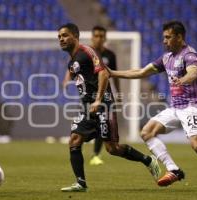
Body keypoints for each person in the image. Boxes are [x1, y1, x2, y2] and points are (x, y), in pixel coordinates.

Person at [108, 20, 197, 192]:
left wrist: (183, 80)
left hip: (192, 107)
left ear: (179, 37)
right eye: (164, 37)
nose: (164, 41)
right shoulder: (166, 58)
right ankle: (173, 169)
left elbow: (193, 73)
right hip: (175, 108)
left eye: (168, 37)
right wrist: (112, 73)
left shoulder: (189, 55)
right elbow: (141, 72)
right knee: (146, 132)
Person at [58, 23, 160, 192]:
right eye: (59, 36)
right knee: (74, 139)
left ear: (75, 36)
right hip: (87, 108)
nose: (61, 39)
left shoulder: (87, 52)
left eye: (65, 35)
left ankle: (148, 161)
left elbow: (104, 73)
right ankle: (81, 183)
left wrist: (98, 100)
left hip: (103, 106)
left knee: (112, 149)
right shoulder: (72, 62)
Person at [63, 26, 119, 166]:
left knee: (109, 142)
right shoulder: (83, 53)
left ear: (105, 38)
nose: (99, 39)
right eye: (96, 36)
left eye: (101, 36)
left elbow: (111, 74)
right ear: (92, 37)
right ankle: (83, 176)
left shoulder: (109, 55)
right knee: (77, 136)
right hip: (89, 99)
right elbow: (72, 68)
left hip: (102, 98)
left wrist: (117, 92)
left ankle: (95, 154)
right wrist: (66, 80)